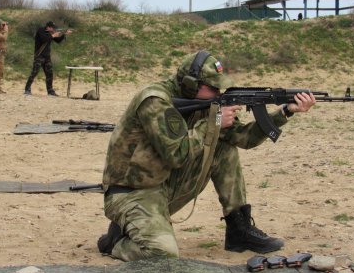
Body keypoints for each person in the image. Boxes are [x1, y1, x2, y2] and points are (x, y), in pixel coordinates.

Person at [97, 51, 316, 261]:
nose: (219, 93)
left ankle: (239, 229)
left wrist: (285, 112)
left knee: (224, 146)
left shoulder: (207, 104)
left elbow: (243, 138)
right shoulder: (155, 100)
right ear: (191, 84)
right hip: (130, 192)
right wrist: (214, 123)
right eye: (213, 88)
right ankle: (115, 242)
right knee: (161, 254)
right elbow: (176, 154)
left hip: (163, 185)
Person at [24, 21, 72, 96]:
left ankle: (50, 91)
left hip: (47, 57)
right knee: (34, 73)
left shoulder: (50, 33)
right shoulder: (40, 31)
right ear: (48, 27)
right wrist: (53, 36)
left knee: (49, 74)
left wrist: (64, 34)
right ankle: (27, 89)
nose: (53, 30)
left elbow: (58, 41)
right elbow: (44, 39)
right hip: (39, 56)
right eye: (52, 28)